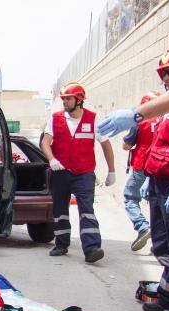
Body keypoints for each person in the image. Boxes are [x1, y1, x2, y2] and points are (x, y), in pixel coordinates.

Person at [100, 47, 169, 311]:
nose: (167, 78)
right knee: (164, 242)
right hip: (160, 177)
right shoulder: (165, 108)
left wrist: (137, 114)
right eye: (165, 73)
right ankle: (168, 296)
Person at [40, 81, 116, 263]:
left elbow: (105, 144)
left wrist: (111, 171)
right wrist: (52, 159)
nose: (64, 102)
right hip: (60, 173)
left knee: (87, 210)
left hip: (84, 174)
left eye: (68, 99)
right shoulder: (56, 118)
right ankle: (61, 244)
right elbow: (45, 142)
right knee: (60, 210)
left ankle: (92, 249)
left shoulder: (94, 119)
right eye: (63, 99)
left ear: (79, 100)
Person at [122, 91, 160, 251]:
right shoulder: (164, 119)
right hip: (160, 167)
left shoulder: (140, 121)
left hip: (142, 165)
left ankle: (142, 226)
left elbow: (127, 145)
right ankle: (160, 241)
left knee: (130, 197)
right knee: (158, 204)